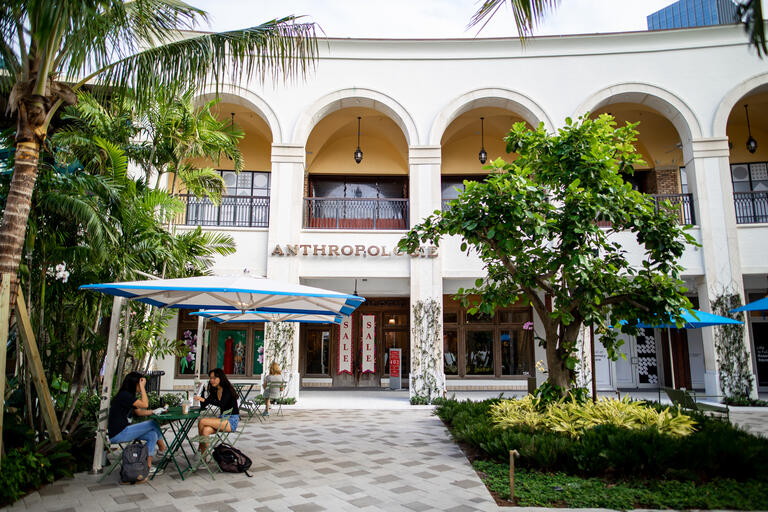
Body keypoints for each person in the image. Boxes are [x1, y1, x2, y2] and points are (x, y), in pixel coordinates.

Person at [107, 372, 167, 479]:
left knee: (152, 435)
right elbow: (145, 404)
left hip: (123, 430)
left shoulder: (127, 396)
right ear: (135, 383)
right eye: (140, 383)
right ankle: (163, 449)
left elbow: (139, 412)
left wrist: (154, 411)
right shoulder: (125, 395)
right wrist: (143, 388)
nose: (142, 386)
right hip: (119, 433)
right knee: (153, 423)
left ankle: (147, 466)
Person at [193, 368, 239, 453]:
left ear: (220, 378)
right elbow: (204, 404)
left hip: (231, 420)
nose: (211, 380)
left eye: (214, 378)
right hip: (221, 418)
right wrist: (202, 391)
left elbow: (222, 404)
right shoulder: (215, 390)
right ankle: (204, 457)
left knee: (202, 421)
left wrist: (205, 400)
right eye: (210, 378)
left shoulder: (227, 390)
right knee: (205, 430)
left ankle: (200, 450)